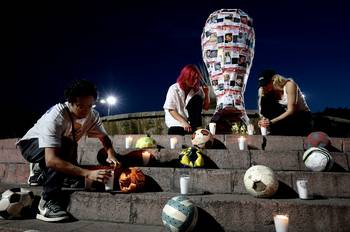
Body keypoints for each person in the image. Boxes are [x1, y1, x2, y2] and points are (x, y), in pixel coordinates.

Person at [16, 79, 120, 222]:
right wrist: (88, 173)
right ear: (70, 102)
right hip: (31, 145)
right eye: (80, 106)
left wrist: (111, 154)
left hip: (58, 147)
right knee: (64, 145)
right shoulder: (57, 116)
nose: (85, 110)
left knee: (70, 152)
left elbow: (104, 138)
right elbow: (52, 160)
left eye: (90, 105)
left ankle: (40, 172)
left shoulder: (93, 115)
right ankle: (47, 203)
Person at [257, 69, 312, 135]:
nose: (264, 87)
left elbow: (291, 110)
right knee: (264, 97)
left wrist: (271, 122)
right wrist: (263, 121)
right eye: (262, 85)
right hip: (286, 116)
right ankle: (274, 130)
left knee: (283, 125)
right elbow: (263, 109)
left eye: (266, 84)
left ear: (274, 80)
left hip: (301, 115)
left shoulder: (290, 85)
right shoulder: (265, 90)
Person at [163, 64, 210, 135]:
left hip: (191, 124)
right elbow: (171, 109)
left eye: (196, 78)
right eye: (192, 78)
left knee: (197, 98)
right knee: (175, 131)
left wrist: (206, 93)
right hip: (177, 122)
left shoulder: (197, 91)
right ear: (185, 77)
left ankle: (197, 127)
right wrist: (183, 122)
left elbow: (206, 107)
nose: (194, 81)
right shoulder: (174, 88)